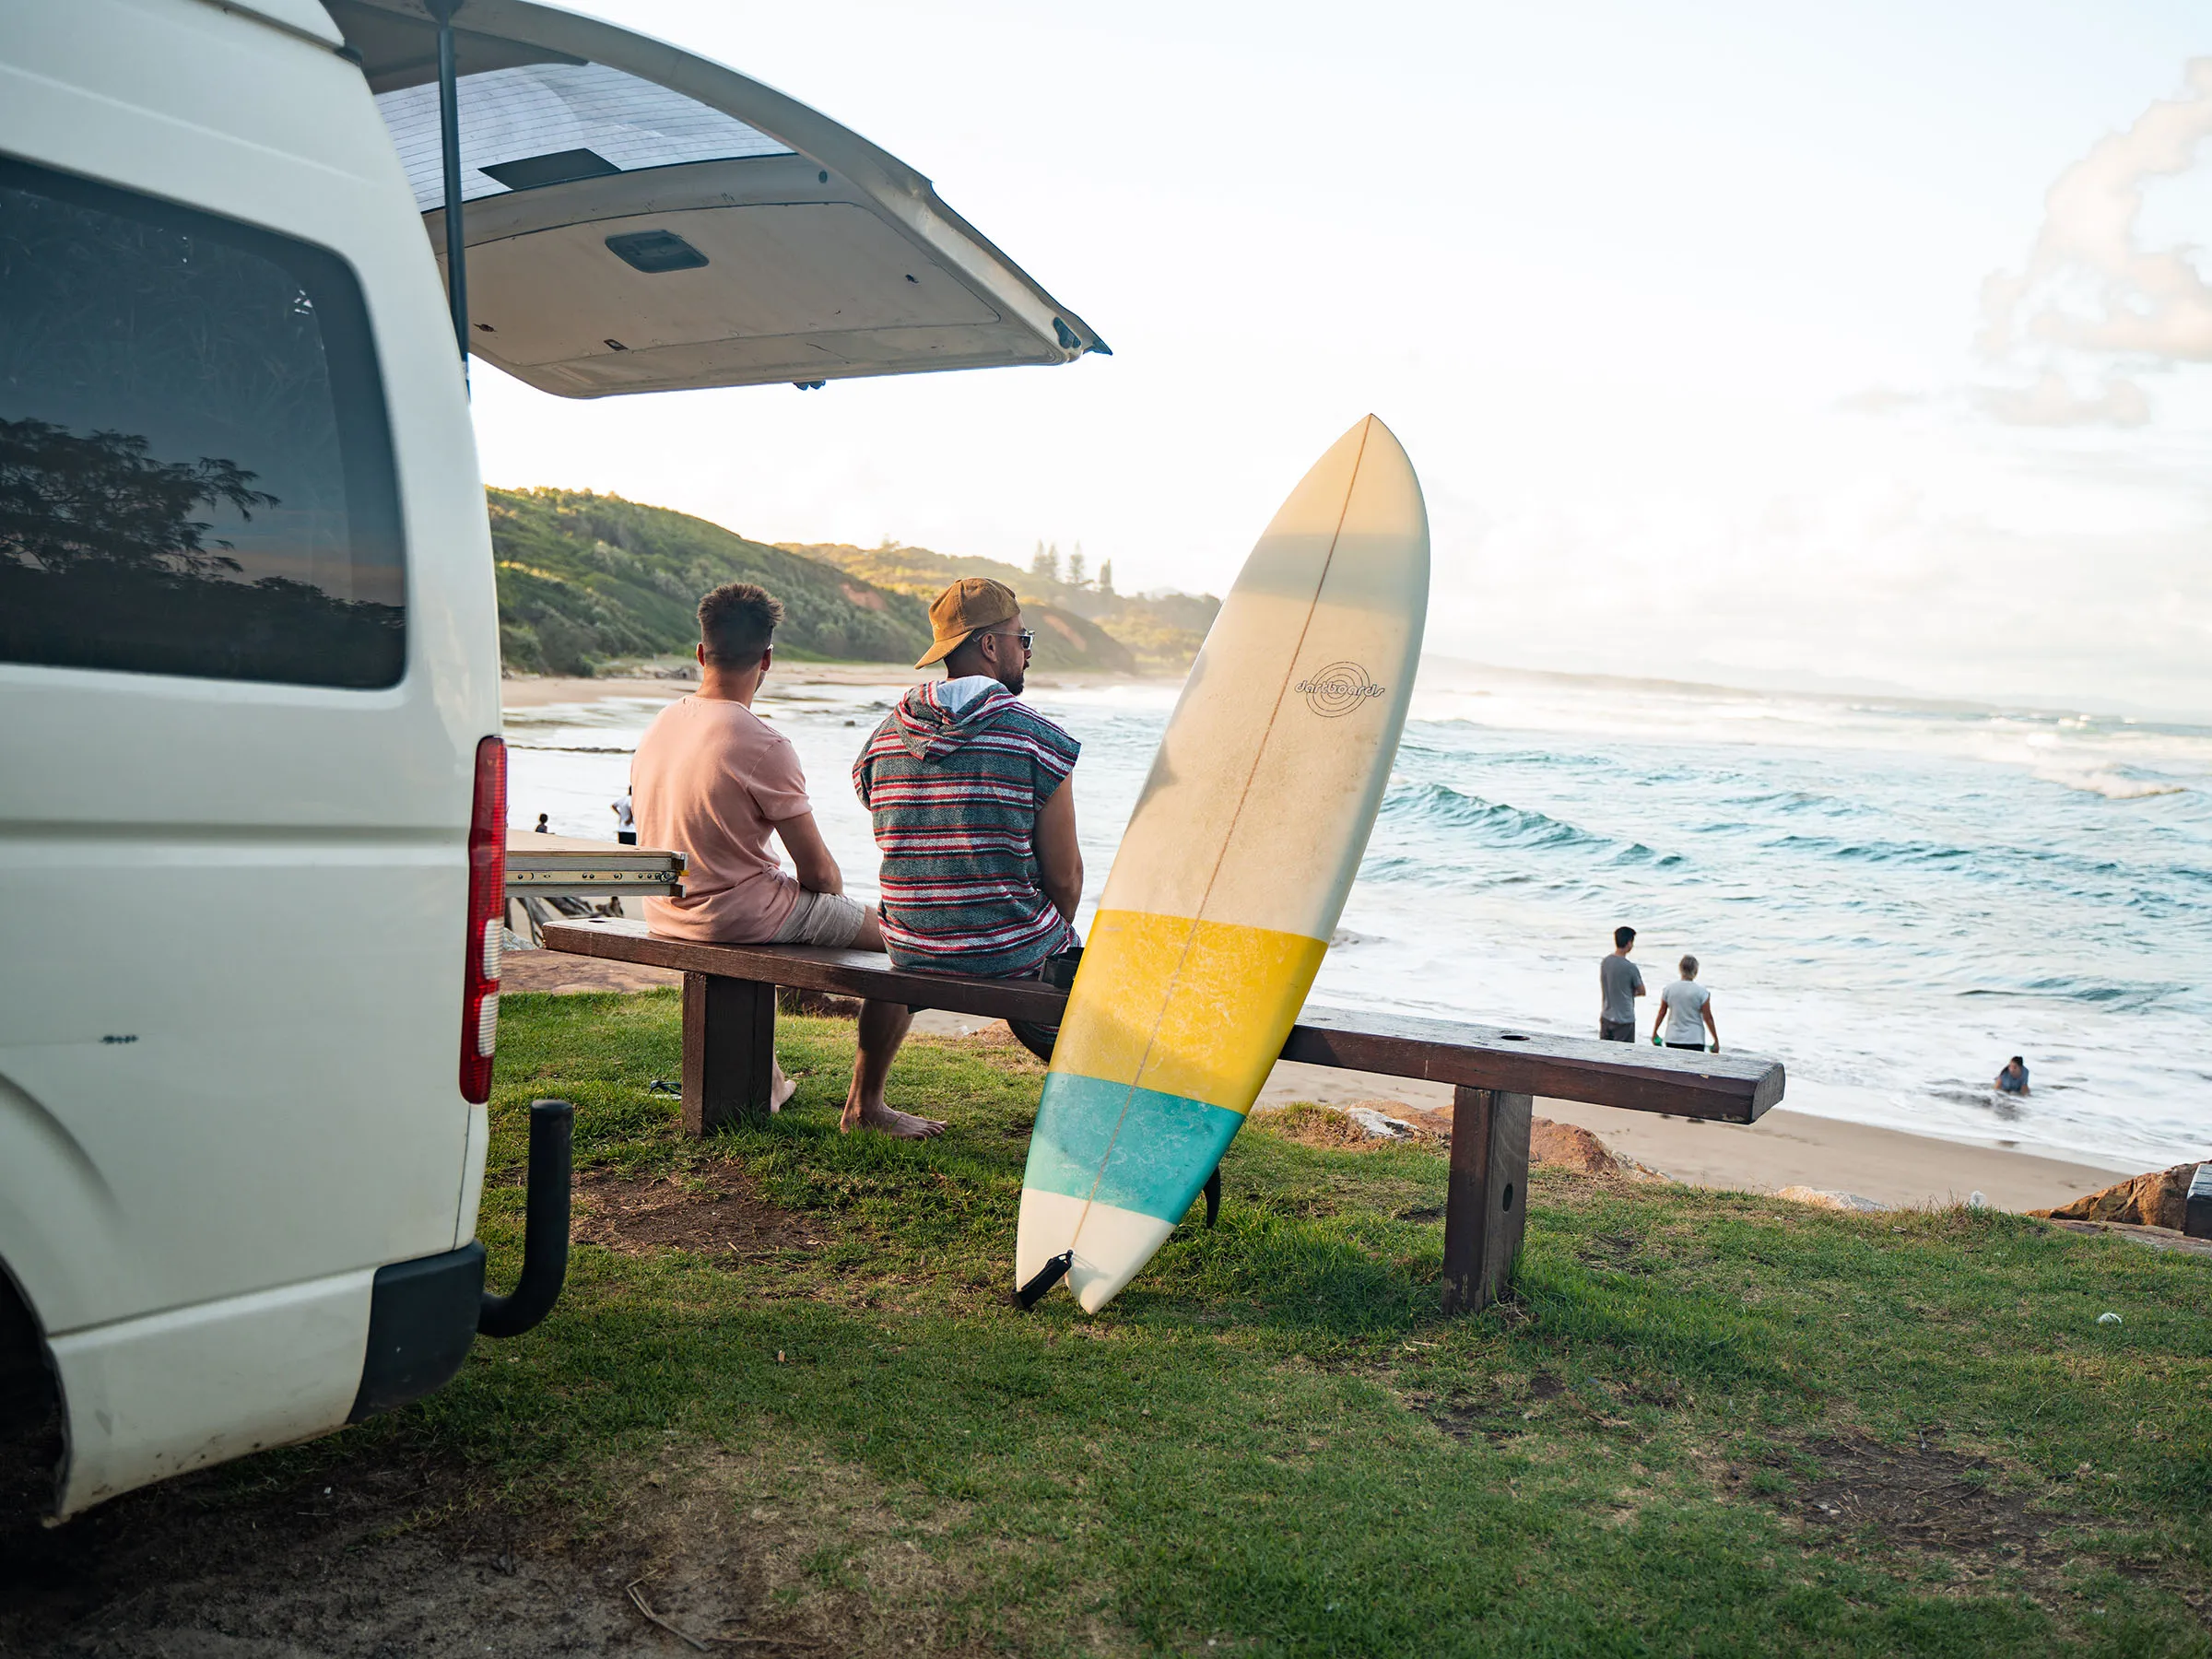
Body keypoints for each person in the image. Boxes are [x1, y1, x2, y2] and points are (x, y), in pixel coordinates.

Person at [630, 582, 884, 1117]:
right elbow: (820, 876)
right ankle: (868, 1102)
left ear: (701, 653)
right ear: (767, 658)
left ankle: (768, 1085)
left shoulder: (661, 724)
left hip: (665, 910)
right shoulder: (763, 743)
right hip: (732, 917)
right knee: (898, 933)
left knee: (768, 896)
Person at [849, 578, 1083, 1138]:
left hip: (909, 943)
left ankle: (864, 1105)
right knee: (1062, 956)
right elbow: (1067, 880)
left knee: (906, 943)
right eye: (1022, 638)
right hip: (1007, 947)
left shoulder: (883, 738)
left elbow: (893, 823)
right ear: (990, 645)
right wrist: (1019, 926)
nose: (1027, 651)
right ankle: (1092, 1110)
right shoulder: (1038, 740)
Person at [1653, 954, 1718, 1053]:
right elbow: (1708, 1018)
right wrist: (1716, 1040)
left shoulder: (1669, 989)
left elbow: (1662, 1013)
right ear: (1696, 971)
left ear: (1680, 969)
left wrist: (1655, 1032)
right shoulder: (1702, 992)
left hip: (1673, 1037)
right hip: (1695, 1038)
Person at [1599, 925, 1643, 1041]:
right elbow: (1642, 991)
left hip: (1606, 1015)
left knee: (1604, 1053)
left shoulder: (1606, 962)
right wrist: (1630, 993)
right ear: (1629, 943)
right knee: (1623, 1056)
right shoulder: (1630, 967)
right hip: (1624, 1019)